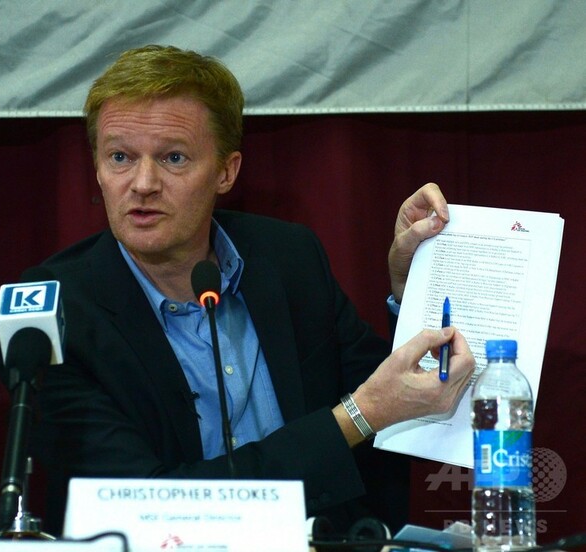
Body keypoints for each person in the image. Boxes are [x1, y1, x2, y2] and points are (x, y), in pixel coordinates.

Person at [31, 44, 475, 536]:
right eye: (120, 157)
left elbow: (400, 405)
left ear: (227, 171)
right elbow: (143, 506)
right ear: (96, 168)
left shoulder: (287, 259)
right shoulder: (55, 312)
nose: (143, 183)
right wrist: (358, 415)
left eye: (173, 157)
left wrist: (414, 292)